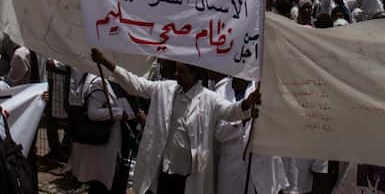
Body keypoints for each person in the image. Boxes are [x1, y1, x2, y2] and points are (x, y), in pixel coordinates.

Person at [91, 47, 259, 194]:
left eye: (182, 71)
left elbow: (230, 112)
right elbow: (134, 84)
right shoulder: (164, 89)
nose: (176, 74)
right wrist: (106, 63)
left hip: (189, 174)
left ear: (194, 74)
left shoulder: (209, 99)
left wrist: (247, 103)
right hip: (163, 170)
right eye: (176, 70)